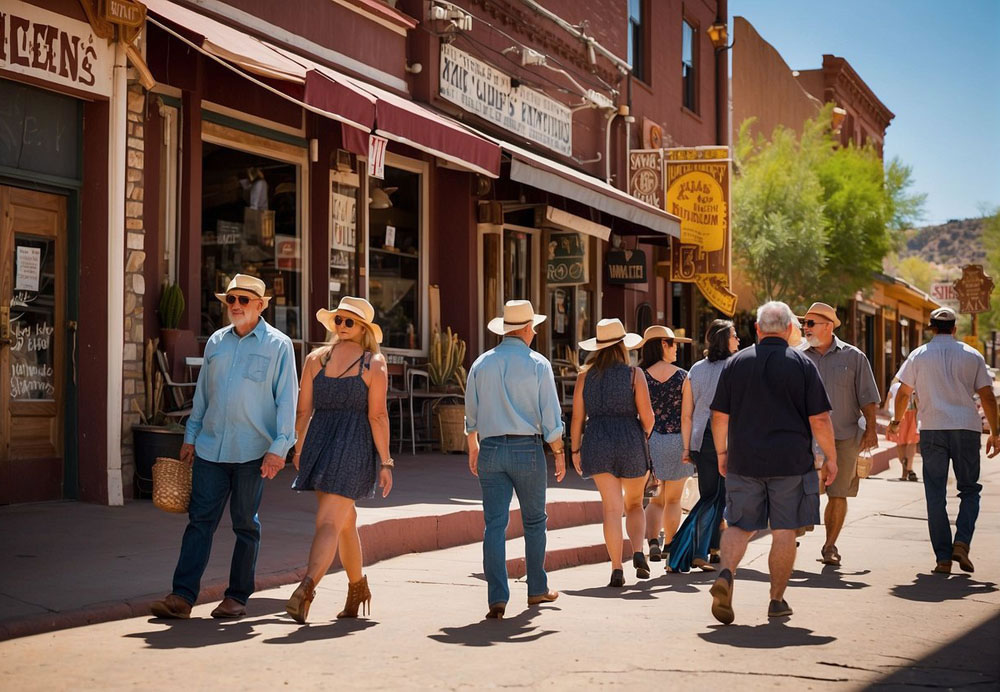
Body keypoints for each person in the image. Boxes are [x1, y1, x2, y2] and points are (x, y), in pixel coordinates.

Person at [150, 274, 298, 619]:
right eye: (231, 300)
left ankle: (237, 597)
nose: (235, 306)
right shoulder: (216, 342)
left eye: (243, 300)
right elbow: (202, 396)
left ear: (261, 305)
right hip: (210, 448)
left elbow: (287, 401)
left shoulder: (279, 345)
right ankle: (182, 596)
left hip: (254, 451)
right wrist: (190, 437)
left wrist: (280, 447)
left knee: (246, 524)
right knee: (199, 521)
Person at [708, 301, 837, 624]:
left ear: (757, 329)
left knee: (739, 525)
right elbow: (820, 418)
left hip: (744, 459)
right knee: (783, 531)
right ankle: (776, 600)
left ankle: (725, 572)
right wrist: (831, 458)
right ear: (791, 329)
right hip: (791, 463)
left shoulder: (736, 363)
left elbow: (719, 415)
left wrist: (722, 453)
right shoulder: (803, 365)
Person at [284, 296, 393, 623]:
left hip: (321, 442)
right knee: (334, 521)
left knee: (344, 519)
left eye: (349, 322)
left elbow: (304, 411)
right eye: (339, 321)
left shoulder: (316, 360)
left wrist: (301, 447)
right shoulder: (374, 363)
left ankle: (357, 587)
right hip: (353, 445)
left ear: (362, 329)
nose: (342, 326)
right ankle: (307, 587)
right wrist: (385, 462)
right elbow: (377, 417)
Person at [465, 300, 564, 620]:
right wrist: (559, 451)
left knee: (494, 524)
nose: (534, 331)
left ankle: (497, 596)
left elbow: (471, 411)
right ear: (523, 329)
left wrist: (472, 445)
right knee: (535, 521)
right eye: (532, 326)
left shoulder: (481, 363)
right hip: (527, 449)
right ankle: (537, 588)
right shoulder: (538, 363)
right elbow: (551, 414)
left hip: (491, 448)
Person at [890, 306, 999, 574]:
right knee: (970, 489)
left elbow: (903, 393)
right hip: (966, 428)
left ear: (931, 329)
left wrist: (896, 419)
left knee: (935, 493)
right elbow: (987, 395)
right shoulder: (972, 355)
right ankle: (961, 541)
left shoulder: (918, 356)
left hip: (933, 429)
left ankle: (943, 557)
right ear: (954, 329)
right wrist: (996, 433)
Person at [570, 318, 655, 587]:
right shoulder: (634, 375)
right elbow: (649, 418)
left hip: (597, 440)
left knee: (611, 509)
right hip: (630, 439)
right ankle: (639, 551)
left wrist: (575, 449)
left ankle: (617, 569)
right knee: (634, 503)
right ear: (622, 346)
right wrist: (641, 433)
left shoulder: (585, 377)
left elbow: (576, 419)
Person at [800, 301, 880, 567]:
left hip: (844, 435)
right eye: (804, 323)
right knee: (802, 489)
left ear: (829, 326)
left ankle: (830, 546)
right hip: (805, 438)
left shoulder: (854, 357)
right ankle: (799, 526)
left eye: (810, 323)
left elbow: (868, 397)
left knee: (838, 492)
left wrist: (871, 428)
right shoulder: (797, 356)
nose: (805, 328)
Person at [673, 320, 741, 572]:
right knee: (717, 497)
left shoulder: (695, 370)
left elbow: (686, 414)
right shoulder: (736, 367)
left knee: (712, 494)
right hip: (726, 438)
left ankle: (712, 549)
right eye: (734, 335)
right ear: (725, 339)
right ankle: (688, 548)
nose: (738, 340)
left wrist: (686, 447)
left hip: (701, 439)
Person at [635, 325, 694, 565]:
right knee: (673, 500)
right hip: (677, 440)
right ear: (663, 345)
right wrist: (688, 447)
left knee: (655, 500)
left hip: (650, 442)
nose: (677, 348)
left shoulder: (639, 374)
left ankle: (652, 543)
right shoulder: (683, 376)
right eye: (673, 343)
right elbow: (686, 416)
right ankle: (669, 546)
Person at [886, 378, 920, 481]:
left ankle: (904, 468)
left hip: (897, 416)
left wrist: (889, 415)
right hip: (911, 414)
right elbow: (917, 402)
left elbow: (887, 402)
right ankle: (909, 468)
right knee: (912, 442)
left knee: (900, 443)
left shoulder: (894, 386)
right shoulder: (913, 388)